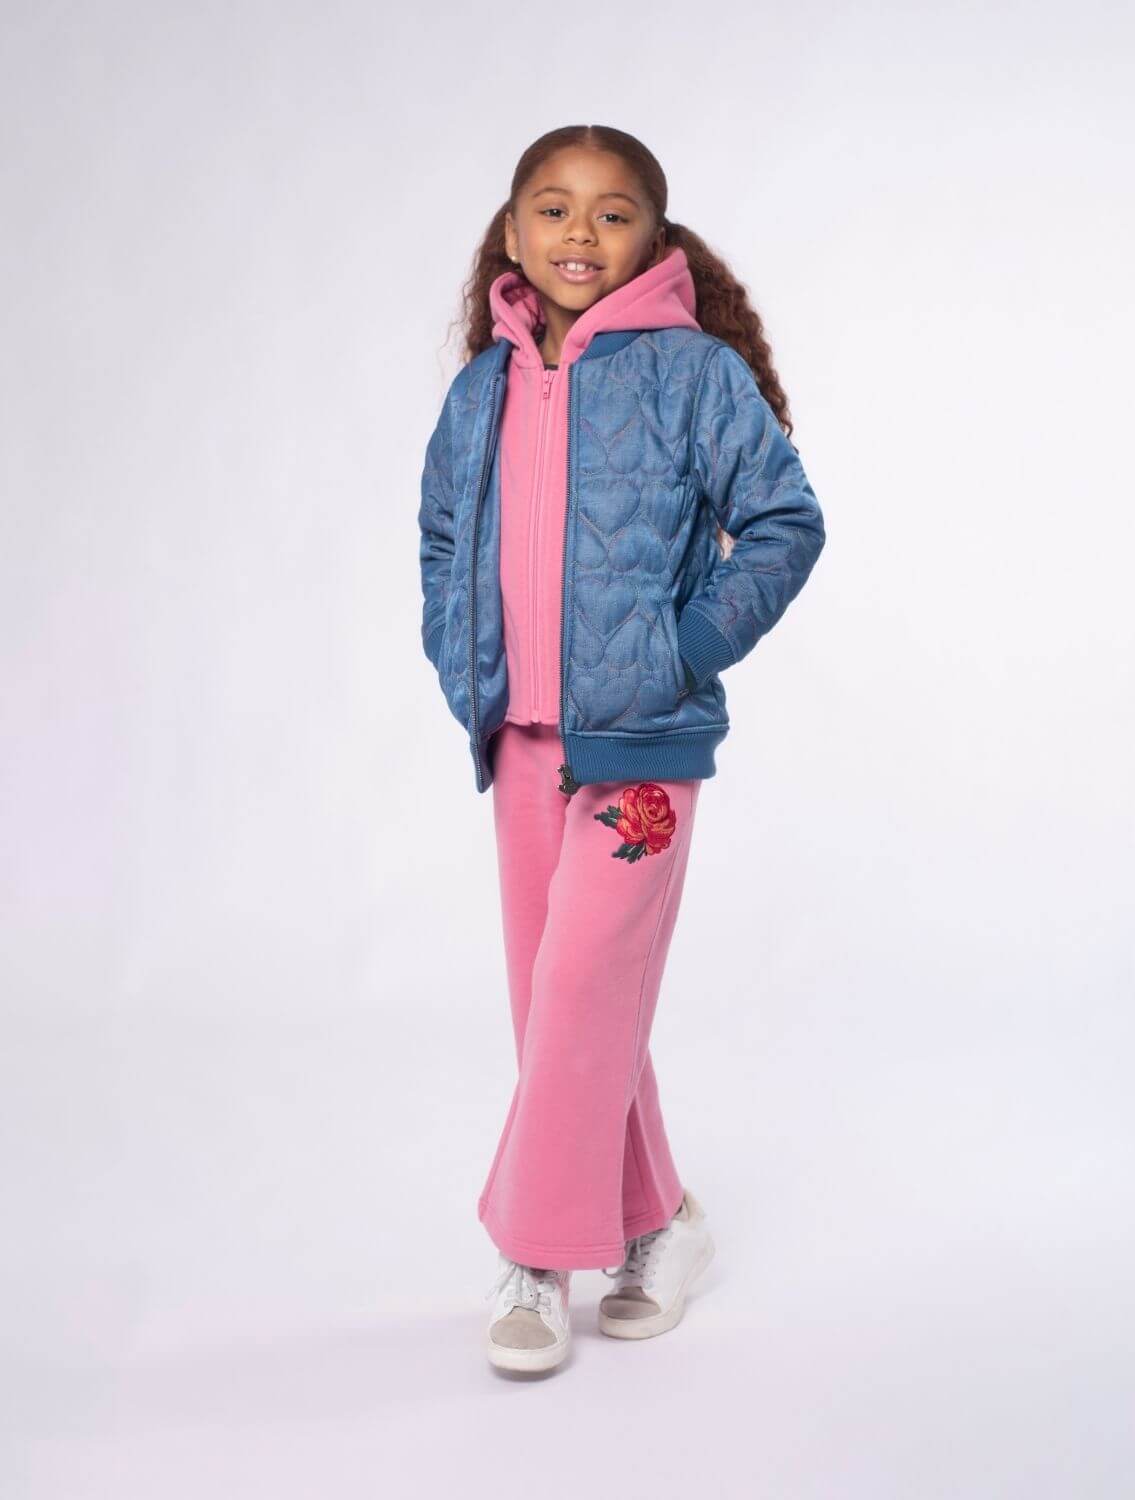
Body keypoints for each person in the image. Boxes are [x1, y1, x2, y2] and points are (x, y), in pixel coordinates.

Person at [418, 124, 827, 1374]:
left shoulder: (694, 376)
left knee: (580, 991)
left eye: (611, 213)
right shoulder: (482, 388)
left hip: (641, 741)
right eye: (553, 209)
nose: (580, 234)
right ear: (512, 232)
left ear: (654, 239)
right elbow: (442, 537)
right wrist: (458, 656)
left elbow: (783, 522)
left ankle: (534, 1257)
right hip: (519, 738)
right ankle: (662, 1222)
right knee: (558, 1004)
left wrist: (680, 650)